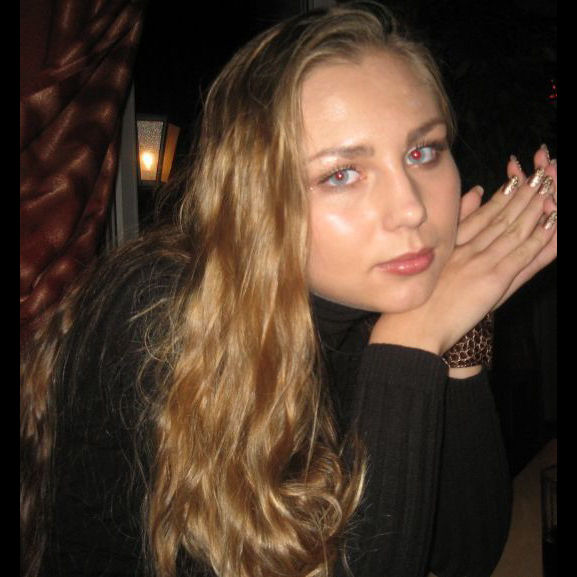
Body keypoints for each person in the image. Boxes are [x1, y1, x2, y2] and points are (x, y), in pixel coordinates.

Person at [20, 3, 557, 577]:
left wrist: (458, 333)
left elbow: (460, 555)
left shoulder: (370, 302)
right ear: (257, 195)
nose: (411, 209)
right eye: (341, 174)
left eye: (422, 151)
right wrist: (413, 341)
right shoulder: (155, 311)